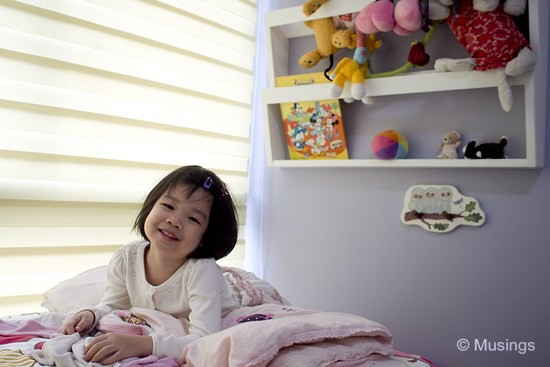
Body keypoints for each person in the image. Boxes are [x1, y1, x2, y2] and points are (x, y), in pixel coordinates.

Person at [59, 165, 239, 364]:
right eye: (168, 206)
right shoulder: (127, 257)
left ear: (206, 236)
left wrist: (141, 344)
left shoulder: (202, 270)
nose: (174, 220)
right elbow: (113, 304)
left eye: (193, 218)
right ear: (151, 205)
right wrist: (91, 314)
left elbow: (205, 339)